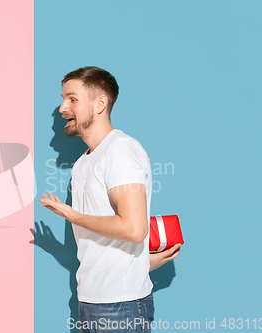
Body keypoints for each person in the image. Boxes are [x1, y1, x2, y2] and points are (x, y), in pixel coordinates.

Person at [39, 67, 178, 333]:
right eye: (63, 98)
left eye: (72, 99)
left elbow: (134, 229)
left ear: (100, 103)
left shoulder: (120, 150)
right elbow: (105, 243)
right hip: (91, 301)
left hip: (120, 306)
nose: (62, 108)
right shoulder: (83, 163)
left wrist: (72, 216)